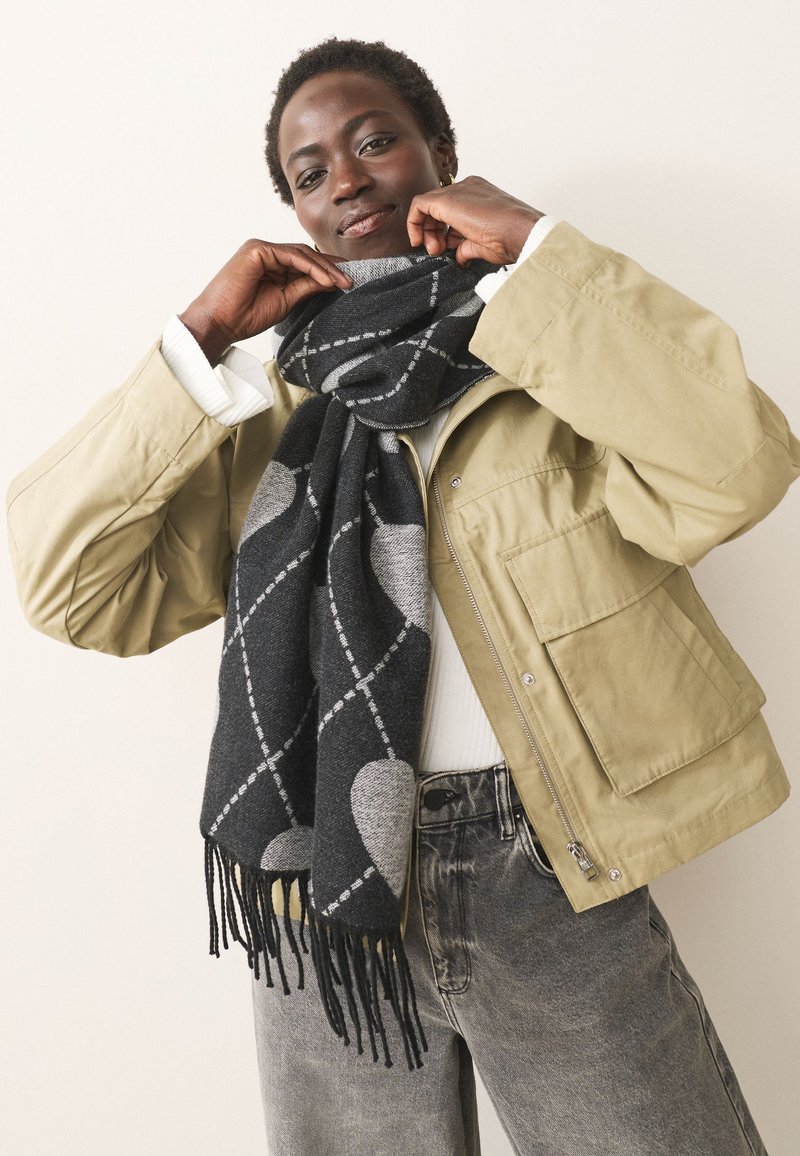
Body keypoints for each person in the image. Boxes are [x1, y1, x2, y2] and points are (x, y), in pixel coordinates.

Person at [6, 35, 799, 1156]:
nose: (348, 179)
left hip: (545, 868)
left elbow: (735, 463)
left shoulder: (545, 361)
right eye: (310, 171)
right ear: (293, 206)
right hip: (315, 880)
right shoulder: (265, 419)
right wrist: (192, 347)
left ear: (440, 153)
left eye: (374, 139)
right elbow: (64, 584)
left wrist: (541, 249)